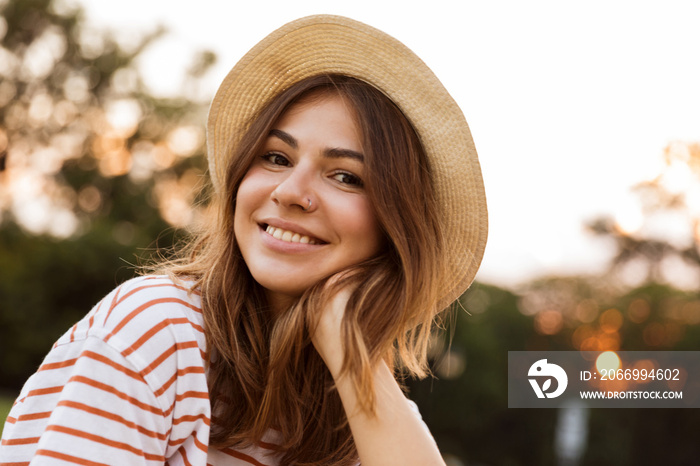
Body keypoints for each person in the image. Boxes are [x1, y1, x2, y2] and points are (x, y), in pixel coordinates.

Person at [0, 15, 487, 465]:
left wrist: (348, 345)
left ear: (396, 225)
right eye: (276, 157)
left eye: (345, 177)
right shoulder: (158, 329)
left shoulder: (355, 402)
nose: (290, 192)